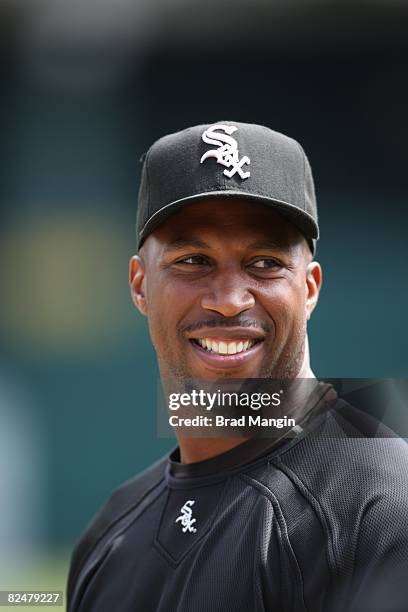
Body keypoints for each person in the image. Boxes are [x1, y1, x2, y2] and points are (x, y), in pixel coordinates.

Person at [67, 121, 408, 611]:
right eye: (193, 260)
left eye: (265, 263)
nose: (229, 300)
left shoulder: (381, 512)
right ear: (140, 285)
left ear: (309, 288)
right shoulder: (112, 532)